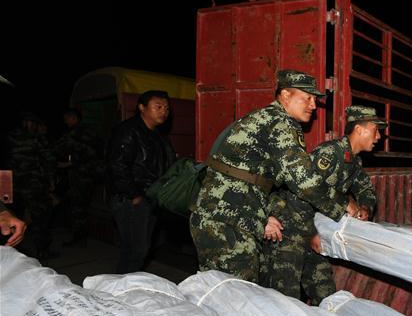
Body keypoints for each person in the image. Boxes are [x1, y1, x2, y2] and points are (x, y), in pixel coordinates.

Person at [190, 70, 359, 283]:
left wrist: (262, 215)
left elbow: (247, 178)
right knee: (236, 297)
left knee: (218, 291)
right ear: (286, 95)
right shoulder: (281, 123)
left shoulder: (263, 118)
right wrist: (344, 204)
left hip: (221, 215)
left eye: (315, 99)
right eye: (307, 98)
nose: (313, 105)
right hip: (228, 222)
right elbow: (303, 180)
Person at [262, 106, 385, 304]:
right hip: (289, 229)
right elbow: (304, 191)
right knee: (285, 299)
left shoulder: (353, 161)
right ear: (359, 130)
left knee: (326, 293)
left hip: (313, 231)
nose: (379, 137)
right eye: (375, 130)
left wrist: (365, 208)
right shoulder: (329, 153)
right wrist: (313, 231)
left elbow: (366, 190)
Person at [107, 90, 176, 273]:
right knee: (135, 251)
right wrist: (135, 195)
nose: (164, 112)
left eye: (166, 108)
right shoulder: (128, 131)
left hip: (149, 198)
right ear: (142, 108)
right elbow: (117, 166)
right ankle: (122, 290)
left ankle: (125, 287)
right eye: (158, 107)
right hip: (132, 200)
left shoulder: (158, 135)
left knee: (139, 250)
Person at [5, 112, 57, 259]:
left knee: (13, 218)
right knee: (41, 216)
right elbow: (49, 160)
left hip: (11, 183)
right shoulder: (37, 138)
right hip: (33, 184)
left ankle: (12, 253)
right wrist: (50, 181)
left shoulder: (9, 137)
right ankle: (42, 250)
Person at [55, 107, 102, 247]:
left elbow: (60, 148)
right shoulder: (91, 131)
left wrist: (68, 164)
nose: (66, 122)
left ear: (73, 118)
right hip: (90, 174)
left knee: (78, 208)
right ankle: (80, 237)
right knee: (81, 206)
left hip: (81, 175)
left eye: (66, 119)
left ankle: (79, 239)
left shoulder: (75, 132)